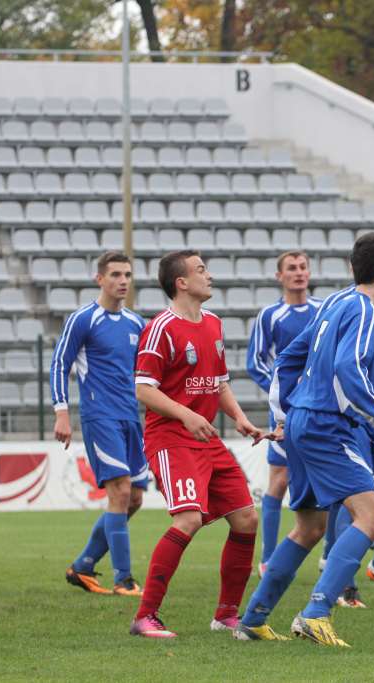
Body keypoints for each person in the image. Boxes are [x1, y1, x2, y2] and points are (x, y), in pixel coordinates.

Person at [235, 233, 374, 647]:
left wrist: (285, 415)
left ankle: (253, 619)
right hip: (328, 424)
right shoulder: (366, 309)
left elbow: (288, 357)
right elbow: (349, 366)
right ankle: (317, 611)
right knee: (372, 517)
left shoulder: (333, 304)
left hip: (301, 423)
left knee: (309, 526)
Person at [129, 250, 269, 639]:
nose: (210, 275)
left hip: (205, 438)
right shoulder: (161, 328)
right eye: (201, 270)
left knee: (246, 518)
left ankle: (226, 614)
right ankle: (145, 616)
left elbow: (218, 382)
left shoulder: (213, 323)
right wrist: (186, 415)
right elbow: (143, 388)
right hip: (171, 439)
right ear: (182, 283)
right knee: (188, 519)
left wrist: (240, 419)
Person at [267, 286, 374, 608]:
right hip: (349, 417)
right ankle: (334, 595)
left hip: (367, 413)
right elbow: (346, 366)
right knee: (357, 508)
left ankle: (254, 618)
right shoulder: (356, 307)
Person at [53, 251, 148, 597]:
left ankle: (83, 565)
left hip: (130, 418)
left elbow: (146, 375)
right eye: (116, 275)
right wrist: (62, 412)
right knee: (120, 492)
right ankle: (124, 579)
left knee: (134, 498)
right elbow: (59, 365)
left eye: (127, 275)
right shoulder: (83, 320)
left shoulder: (137, 325)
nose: (123, 281)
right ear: (100, 279)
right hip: (99, 416)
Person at [246, 250, 321, 576]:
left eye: (303, 267)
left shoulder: (322, 310)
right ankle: (268, 558)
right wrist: (282, 392)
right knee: (278, 482)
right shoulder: (270, 315)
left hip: (319, 409)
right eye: (291, 268)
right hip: (284, 413)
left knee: (327, 482)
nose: (299, 272)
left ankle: (329, 556)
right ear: (280, 276)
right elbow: (255, 362)